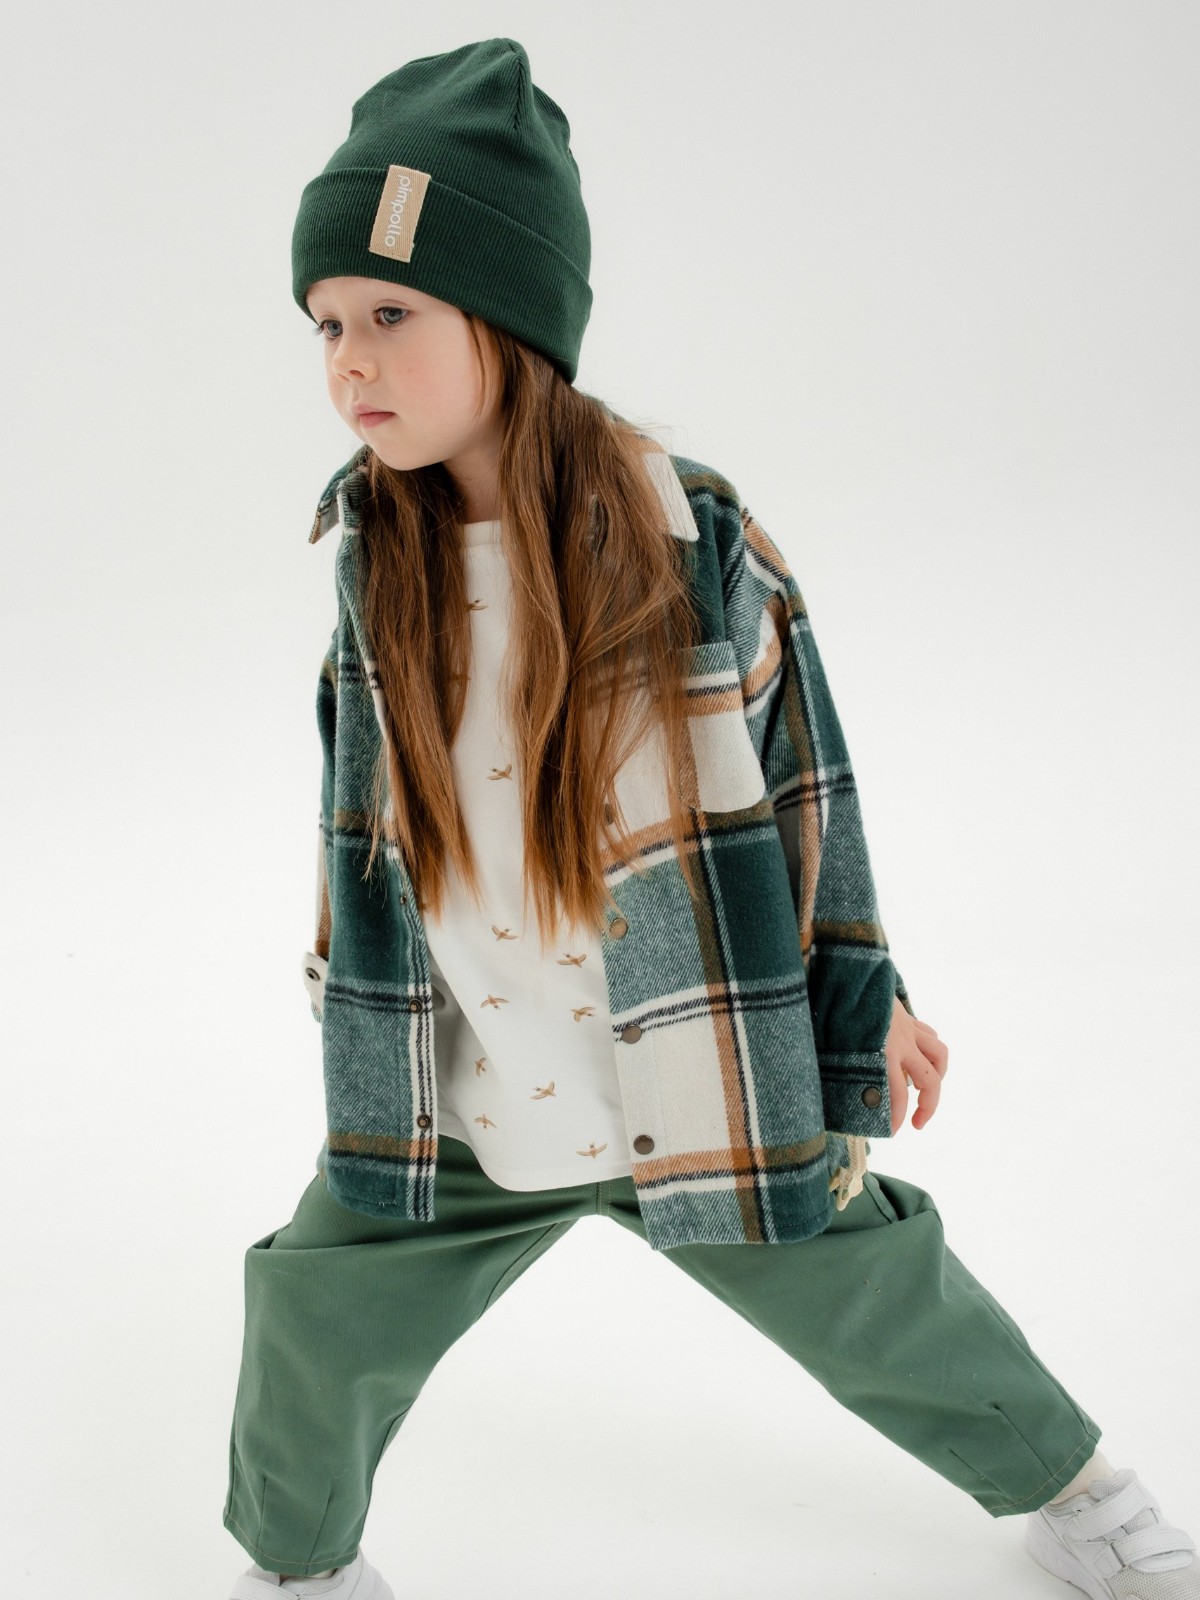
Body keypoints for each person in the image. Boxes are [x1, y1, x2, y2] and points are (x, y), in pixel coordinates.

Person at [222, 37, 1197, 1600]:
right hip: (470, 1088)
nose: (349, 361)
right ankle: (298, 1568)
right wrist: (352, 1001)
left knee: (884, 1294)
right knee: (311, 1311)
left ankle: (1081, 1495)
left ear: (510, 318)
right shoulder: (370, 557)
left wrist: (863, 1003)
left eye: (392, 315)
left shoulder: (685, 533)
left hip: (692, 1063)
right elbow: (364, 820)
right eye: (327, 322)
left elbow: (809, 782)